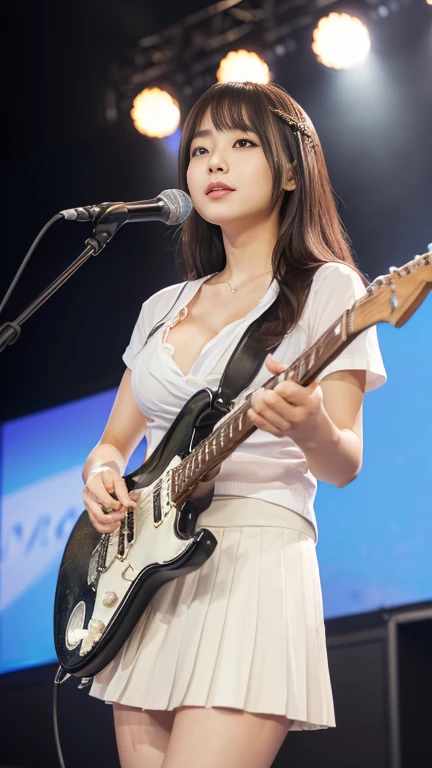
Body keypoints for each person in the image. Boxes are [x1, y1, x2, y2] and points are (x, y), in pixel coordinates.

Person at [83, 81, 386, 768]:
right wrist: (101, 475)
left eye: (241, 144)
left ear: (288, 169)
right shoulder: (163, 305)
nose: (214, 163)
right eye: (200, 149)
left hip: (253, 563)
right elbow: (113, 442)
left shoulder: (329, 286)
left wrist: (308, 426)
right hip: (148, 575)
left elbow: (345, 462)